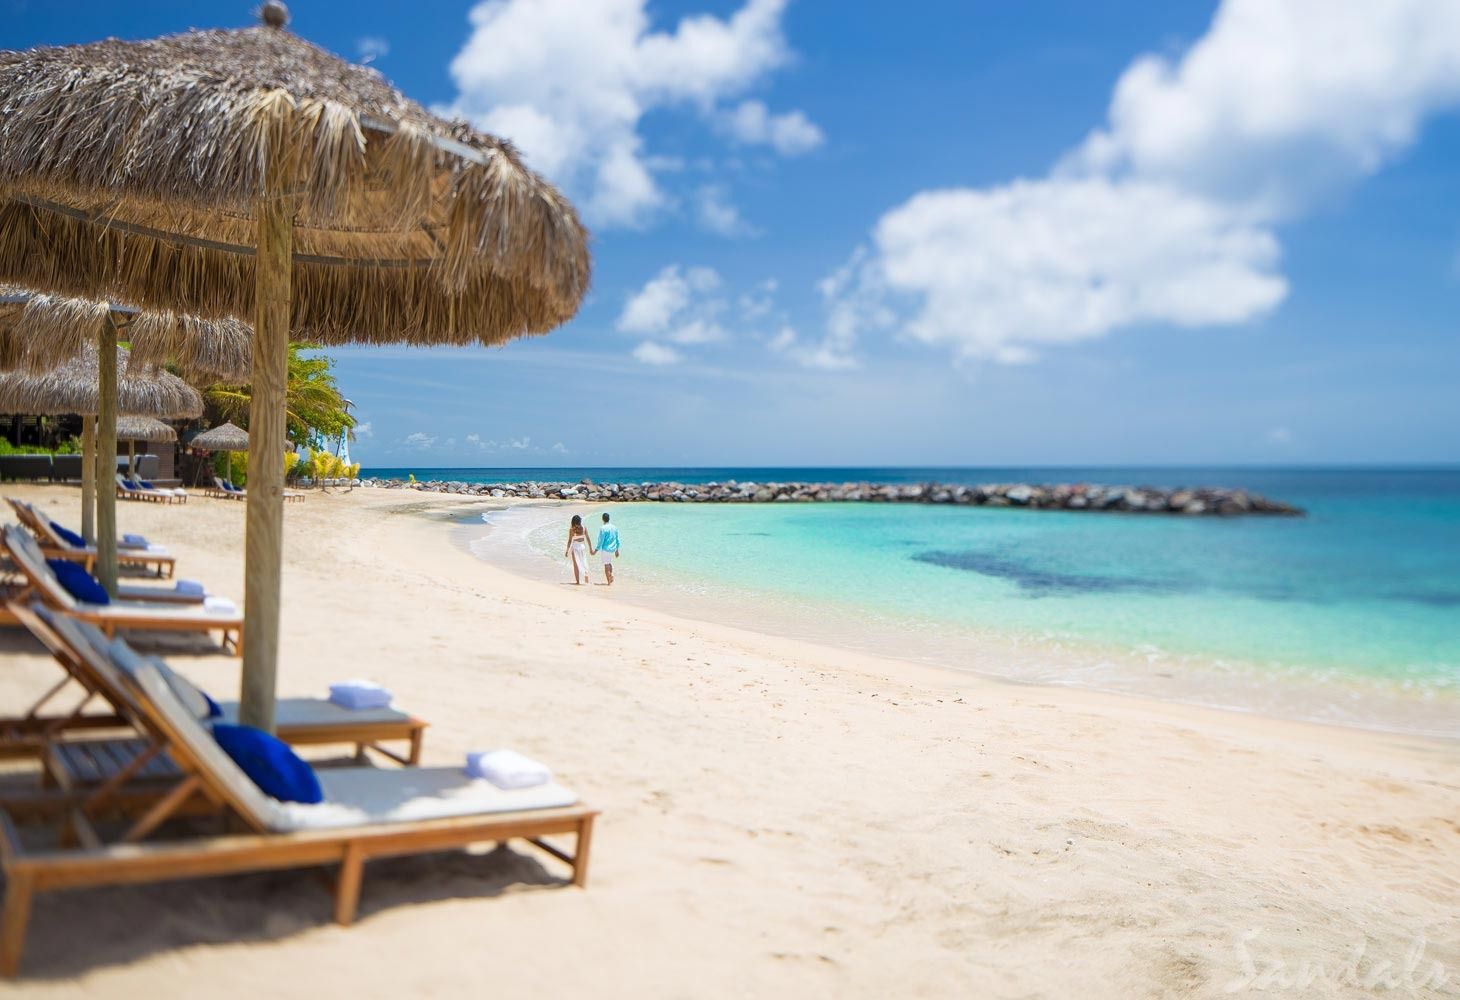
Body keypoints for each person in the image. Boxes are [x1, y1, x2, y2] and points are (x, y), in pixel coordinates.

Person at [564, 514, 593, 585]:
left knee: (576, 565)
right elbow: (588, 539)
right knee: (584, 562)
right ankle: (586, 578)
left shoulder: (571, 530)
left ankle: (578, 581)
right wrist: (590, 548)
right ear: (580, 521)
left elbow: (570, 541)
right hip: (582, 547)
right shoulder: (584, 528)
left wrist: (567, 550)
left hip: (575, 548)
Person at [597, 512, 621, 585]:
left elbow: (601, 540)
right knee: (609, 563)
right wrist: (617, 550)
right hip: (613, 549)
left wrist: (596, 549)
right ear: (609, 519)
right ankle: (611, 574)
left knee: (606, 565)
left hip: (606, 549)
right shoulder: (614, 527)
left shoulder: (603, 528)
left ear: (603, 519)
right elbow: (617, 539)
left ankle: (609, 582)